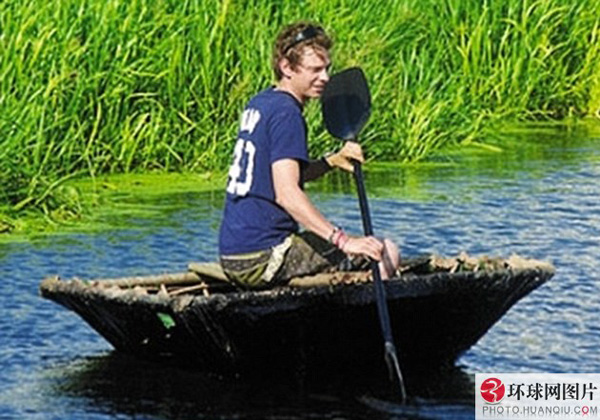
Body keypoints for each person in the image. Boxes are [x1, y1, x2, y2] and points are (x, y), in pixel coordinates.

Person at [218, 22, 399, 290]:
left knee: (353, 247)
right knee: (385, 251)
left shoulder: (262, 102)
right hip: (263, 257)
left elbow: (280, 174)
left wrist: (331, 161)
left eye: (326, 68)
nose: (325, 77)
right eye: (315, 70)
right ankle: (361, 325)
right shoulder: (287, 114)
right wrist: (343, 241)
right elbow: (287, 195)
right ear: (287, 68)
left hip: (233, 254)